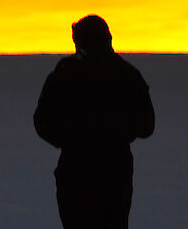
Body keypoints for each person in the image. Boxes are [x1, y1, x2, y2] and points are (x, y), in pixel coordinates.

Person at [34, 15, 155, 229]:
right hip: (110, 172)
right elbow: (147, 124)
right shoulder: (127, 73)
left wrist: (73, 138)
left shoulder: (66, 72)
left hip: (82, 172)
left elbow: (42, 121)